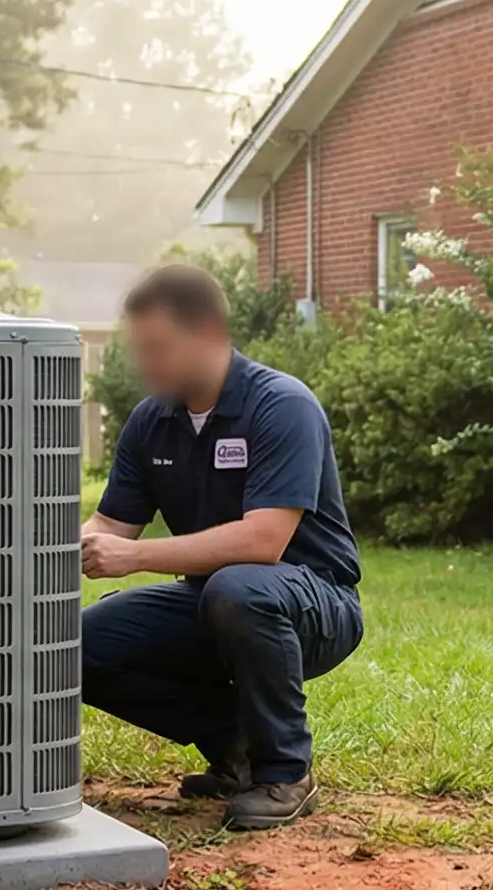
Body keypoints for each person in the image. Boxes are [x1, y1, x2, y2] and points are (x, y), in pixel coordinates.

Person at [78, 263, 363, 829]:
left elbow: (264, 540)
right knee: (75, 646)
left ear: (207, 332)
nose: (146, 365)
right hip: (213, 602)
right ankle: (235, 747)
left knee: (238, 588)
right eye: (141, 350)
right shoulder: (150, 422)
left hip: (313, 602)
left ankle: (285, 773)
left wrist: (135, 558)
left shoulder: (282, 405)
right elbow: (111, 525)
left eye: (158, 348)